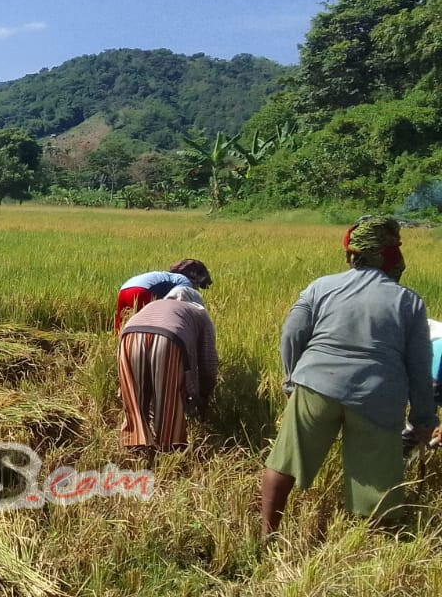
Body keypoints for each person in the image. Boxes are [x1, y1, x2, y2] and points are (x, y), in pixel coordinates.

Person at [260, 216, 441, 537]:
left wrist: (291, 380)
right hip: (378, 396)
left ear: (353, 256)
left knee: (284, 462)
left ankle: (266, 536)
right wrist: (424, 416)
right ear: (390, 256)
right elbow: (419, 363)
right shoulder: (408, 301)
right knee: (378, 482)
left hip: (316, 384)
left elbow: (292, 333)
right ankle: (368, 547)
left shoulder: (320, 287)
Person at [117, 286, 218, 450]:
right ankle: (169, 449)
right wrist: (205, 394)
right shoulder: (199, 312)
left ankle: (136, 448)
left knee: (134, 398)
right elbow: (208, 360)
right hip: (169, 339)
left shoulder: (153, 305)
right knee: (169, 401)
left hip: (129, 336)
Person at [115, 259, 213, 332]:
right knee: (147, 327)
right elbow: (178, 308)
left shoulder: (169, 277)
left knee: (121, 325)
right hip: (141, 291)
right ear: (195, 279)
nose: (197, 289)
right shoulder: (185, 282)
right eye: (198, 286)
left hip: (125, 288)